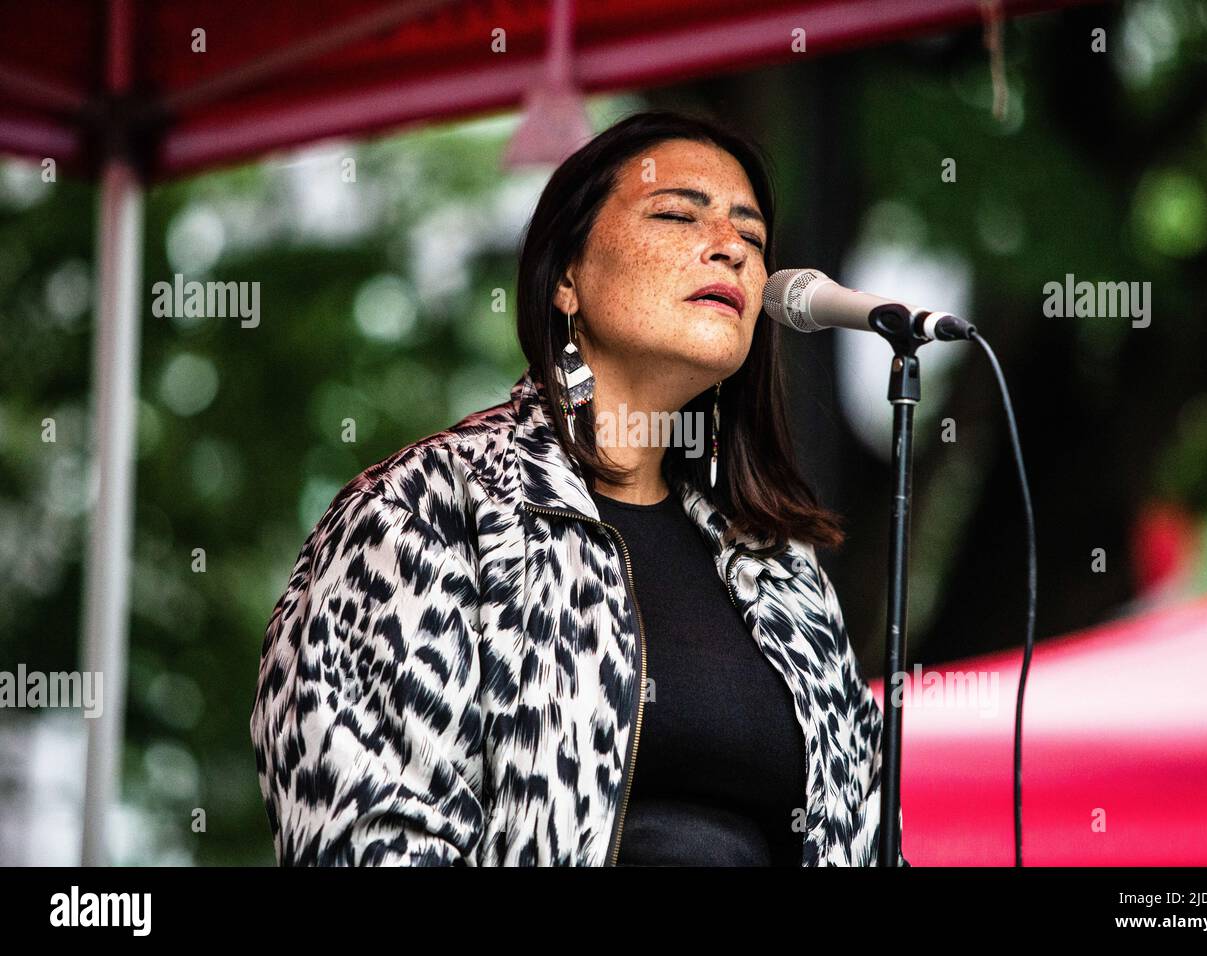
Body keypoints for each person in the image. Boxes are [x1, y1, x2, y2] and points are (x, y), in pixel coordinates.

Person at [249, 109, 905, 867]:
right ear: (567, 278)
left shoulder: (781, 569)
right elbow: (367, 838)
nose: (729, 249)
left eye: (752, 240)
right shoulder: (426, 513)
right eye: (675, 214)